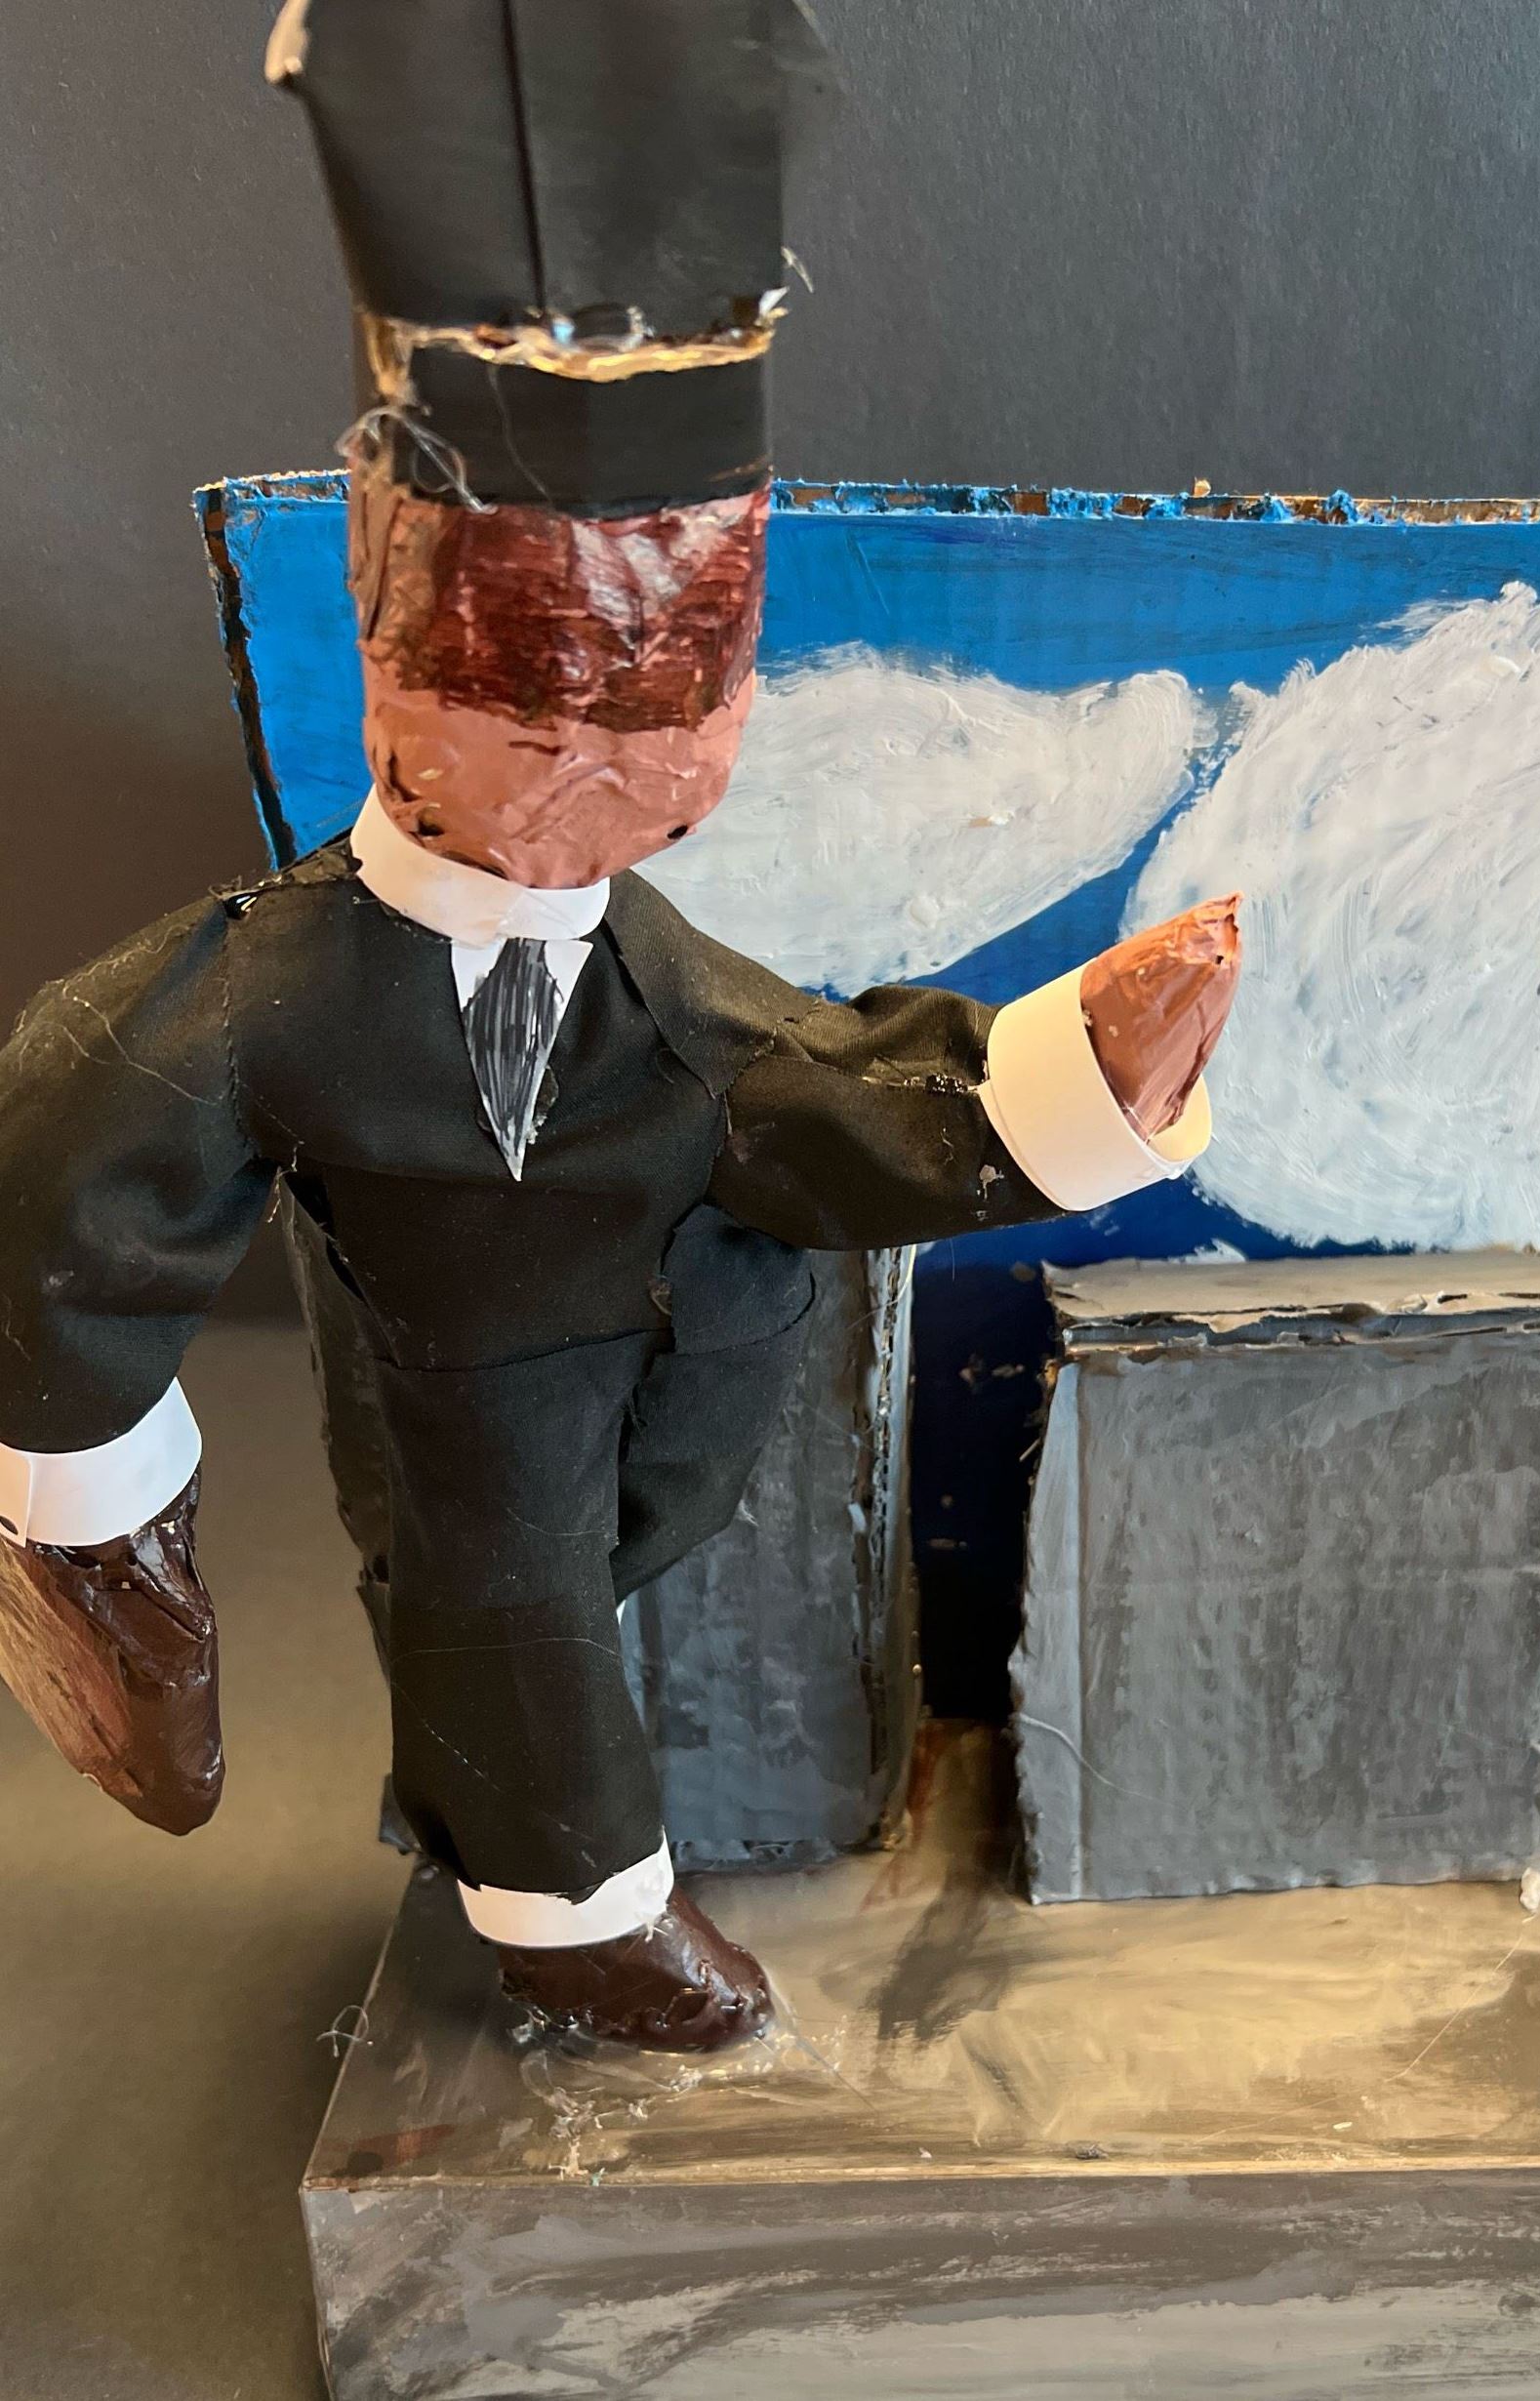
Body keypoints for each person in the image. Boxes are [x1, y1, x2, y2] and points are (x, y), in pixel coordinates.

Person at [0, 0, 1241, 2053]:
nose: (600, 784)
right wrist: (96, 1529)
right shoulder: (266, 995)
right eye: (527, 723)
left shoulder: (659, 990)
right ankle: (573, 1913)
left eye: (672, 732)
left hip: (684, 1385)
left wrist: (1072, 1077)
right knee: (507, 1612)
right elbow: (70, 1165)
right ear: (386, 631)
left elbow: (810, 1091)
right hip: (463, 1399)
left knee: (587, 1587)